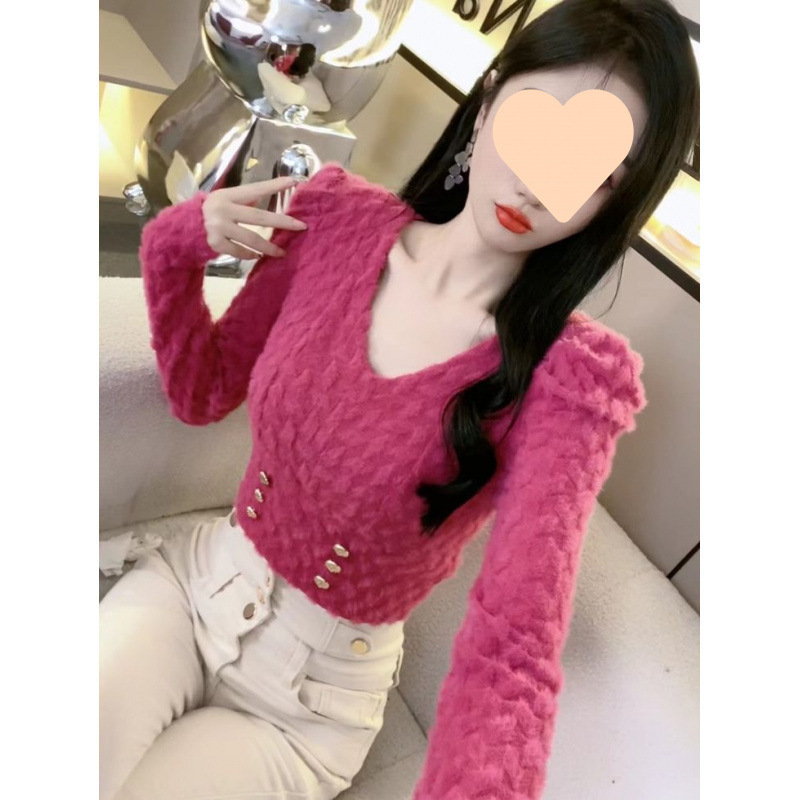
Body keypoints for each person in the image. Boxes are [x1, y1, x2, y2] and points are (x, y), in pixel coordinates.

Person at [99, 1, 699, 798]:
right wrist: (177, 243)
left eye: (591, 172)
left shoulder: (567, 384)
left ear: (611, 201)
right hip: (192, 588)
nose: (536, 185)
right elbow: (201, 393)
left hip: (305, 708)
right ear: (489, 99)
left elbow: (516, 638)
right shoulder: (334, 220)